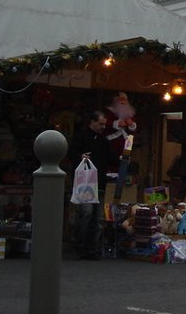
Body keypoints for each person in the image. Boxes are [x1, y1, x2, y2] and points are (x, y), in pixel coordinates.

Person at [68, 110, 117, 260]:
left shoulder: (103, 141)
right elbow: (72, 153)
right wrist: (79, 157)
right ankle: (80, 245)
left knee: (98, 217)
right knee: (87, 213)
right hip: (85, 183)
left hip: (99, 182)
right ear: (92, 122)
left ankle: (92, 248)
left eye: (104, 124)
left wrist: (124, 159)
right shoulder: (81, 137)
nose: (103, 127)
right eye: (101, 124)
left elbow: (112, 158)